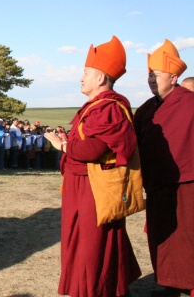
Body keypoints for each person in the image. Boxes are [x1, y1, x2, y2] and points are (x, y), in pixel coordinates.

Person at [44, 35, 141, 297]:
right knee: (85, 240)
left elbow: (96, 149)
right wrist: (69, 141)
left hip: (93, 187)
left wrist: (63, 146)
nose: (81, 77)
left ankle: (98, 289)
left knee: (93, 242)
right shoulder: (97, 106)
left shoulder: (109, 107)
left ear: (101, 78)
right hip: (82, 184)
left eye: (86, 72)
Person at [133, 39, 194, 297]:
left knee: (186, 237)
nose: (150, 79)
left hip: (186, 182)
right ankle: (170, 283)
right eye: (148, 74)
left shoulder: (189, 103)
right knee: (163, 236)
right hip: (157, 184)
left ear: (173, 76)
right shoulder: (148, 107)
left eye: (155, 74)